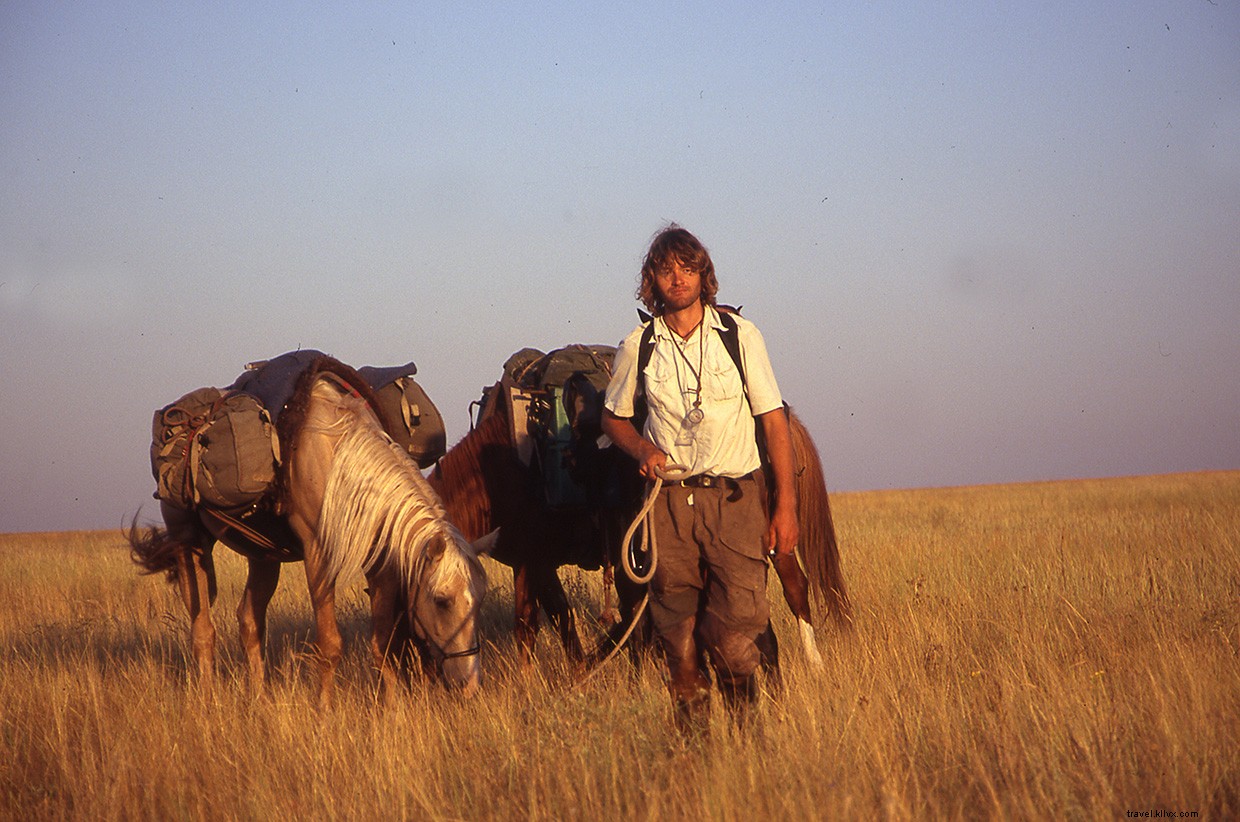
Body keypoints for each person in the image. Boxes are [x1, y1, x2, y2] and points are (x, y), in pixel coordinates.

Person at [601, 224, 798, 730]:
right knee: (675, 630)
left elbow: (774, 422)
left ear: (703, 273)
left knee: (738, 632)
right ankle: (694, 750)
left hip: (735, 500)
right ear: (652, 280)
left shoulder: (740, 336)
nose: (678, 278)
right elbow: (613, 419)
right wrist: (642, 449)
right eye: (666, 270)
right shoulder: (638, 345)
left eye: (687, 267)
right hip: (668, 505)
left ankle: (748, 735)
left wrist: (786, 508)